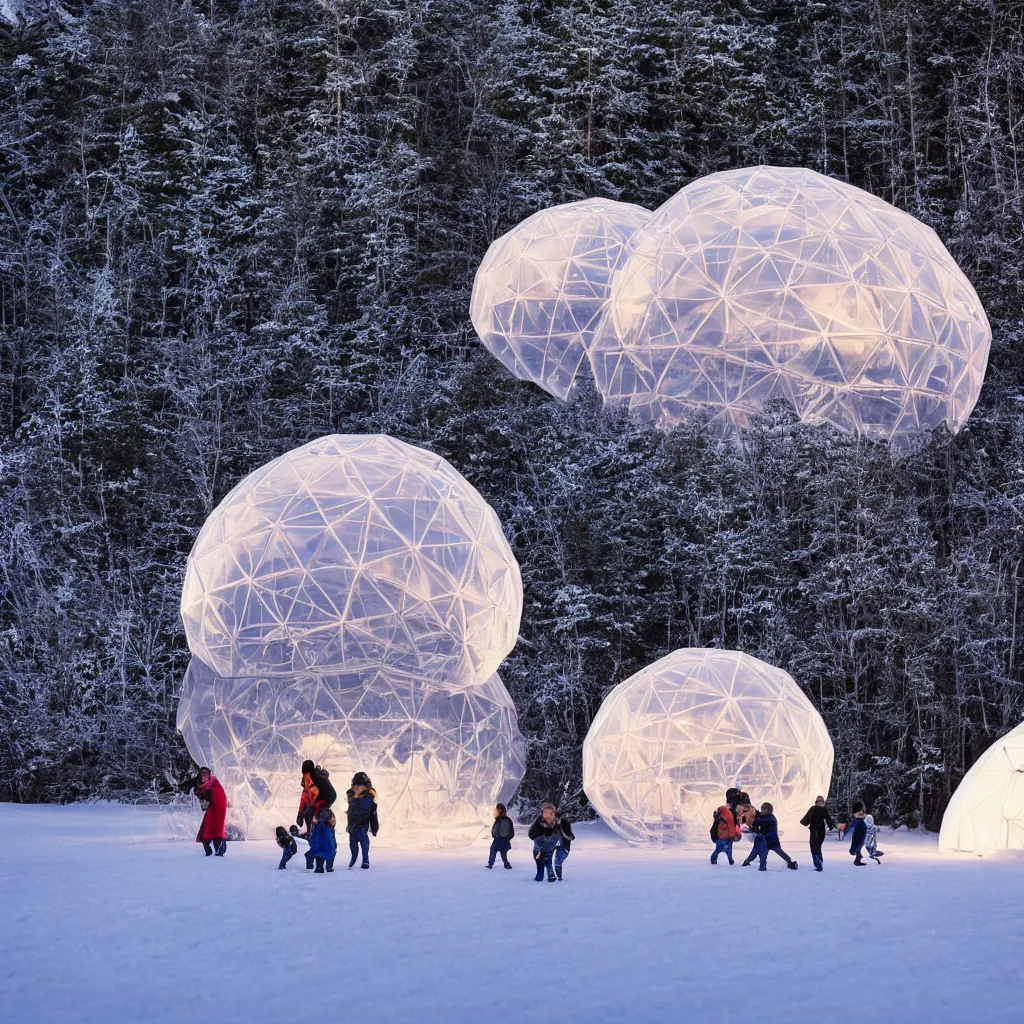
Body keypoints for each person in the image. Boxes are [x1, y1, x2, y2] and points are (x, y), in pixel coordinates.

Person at [742, 802, 798, 871]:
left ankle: (789, 862)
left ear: (768, 810)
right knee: (760, 853)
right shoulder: (763, 817)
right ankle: (752, 863)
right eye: (761, 809)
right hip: (766, 840)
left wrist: (754, 816)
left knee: (778, 853)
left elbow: (759, 821)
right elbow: (756, 826)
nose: (762, 810)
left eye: (763, 809)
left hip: (771, 840)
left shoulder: (771, 818)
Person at [528, 803, 574, 882]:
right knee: (539, 858)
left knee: (554, 862)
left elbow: (569, 837)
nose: (548, 816)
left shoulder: (562, 822)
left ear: (554, 814)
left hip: (560, 847)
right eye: (545, 813)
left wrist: (560, 828)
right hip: (542, 847)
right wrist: (540, 832)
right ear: (542, 813)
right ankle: (540, 875)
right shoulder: (539, 821)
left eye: (550, 813)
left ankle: (555, 877)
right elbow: (531, 835)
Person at [345, 772, 379, 870]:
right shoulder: (350, 794)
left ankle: (365, 860)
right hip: (352, 825)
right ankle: (353, 859)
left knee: (364, 843)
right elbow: (351, 809)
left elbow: (364, 809)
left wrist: (356, 798)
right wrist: (355, 797)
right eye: (356, 785)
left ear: (365, 786)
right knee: (353, 844)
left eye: (360, 786)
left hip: (362, 824)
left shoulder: (369, 796)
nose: (357, 788)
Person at [193, 767, 228, 857]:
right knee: (208, 828)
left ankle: (218, 848)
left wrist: (198, 788)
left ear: (209, 774)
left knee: (215, 829)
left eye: (206, 773)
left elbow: (205, 787)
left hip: (218, 807)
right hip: (213, 807)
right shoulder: (207, 783)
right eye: (202, 774)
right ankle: (210, 848)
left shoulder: (213, 779)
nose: (204, 776)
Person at [298, 760, 337, 834]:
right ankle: (312, 834)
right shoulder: (309, 779)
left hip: (322, 805)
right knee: (310, 814)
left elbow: (331, 794)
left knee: (320, 815)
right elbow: (305, 797)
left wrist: (321, 803)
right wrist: (300, 814)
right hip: (317, 806)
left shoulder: (318, 778)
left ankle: (324, 835)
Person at [800, 795, 836, 872]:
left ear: (816, 802)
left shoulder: (813, 808)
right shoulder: (824, 809)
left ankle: (818, 863)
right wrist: (831, 827)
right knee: (818, 847)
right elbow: (828, 819)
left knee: (813, 847)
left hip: (814, 830)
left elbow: (807, 817)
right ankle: (820, 861)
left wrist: (804, 822)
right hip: (821, 832)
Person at [304, 804, 337, 874]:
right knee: (330, 849)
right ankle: (329, 866)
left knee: (318, 849)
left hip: (319, 833)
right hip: (326, 833)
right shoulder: (329, 813)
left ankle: (319, 866)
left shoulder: (316, 813)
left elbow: (313, 825)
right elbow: (333, 823)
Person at [710, 798, 741, 865]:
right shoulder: (727, 816)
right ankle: (730, 860)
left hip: (723, 837)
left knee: (719, 849)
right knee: (727, 849)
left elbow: (717, 828)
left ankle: (714, 860)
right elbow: (729, 826)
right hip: (728, 836)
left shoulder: (720, 817)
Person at [487, 803, 515, 869]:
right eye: (497, 810)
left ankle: (505, 864)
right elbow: (495, 829)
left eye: (499, 810)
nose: (497, 811)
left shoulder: (505, 820)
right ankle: (504, 864)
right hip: (500, 839)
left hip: (502, 839)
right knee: (497, 852)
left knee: (498, 852)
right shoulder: (500, 819)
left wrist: (507, 838)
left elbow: (511, 832)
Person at [843, 801, 868, 866]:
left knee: (858, 846)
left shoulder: (857, 821)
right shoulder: (858, 821)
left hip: (860, 834)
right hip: (859, 835)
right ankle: (857, 857)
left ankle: (857, 857)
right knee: (858, 845)